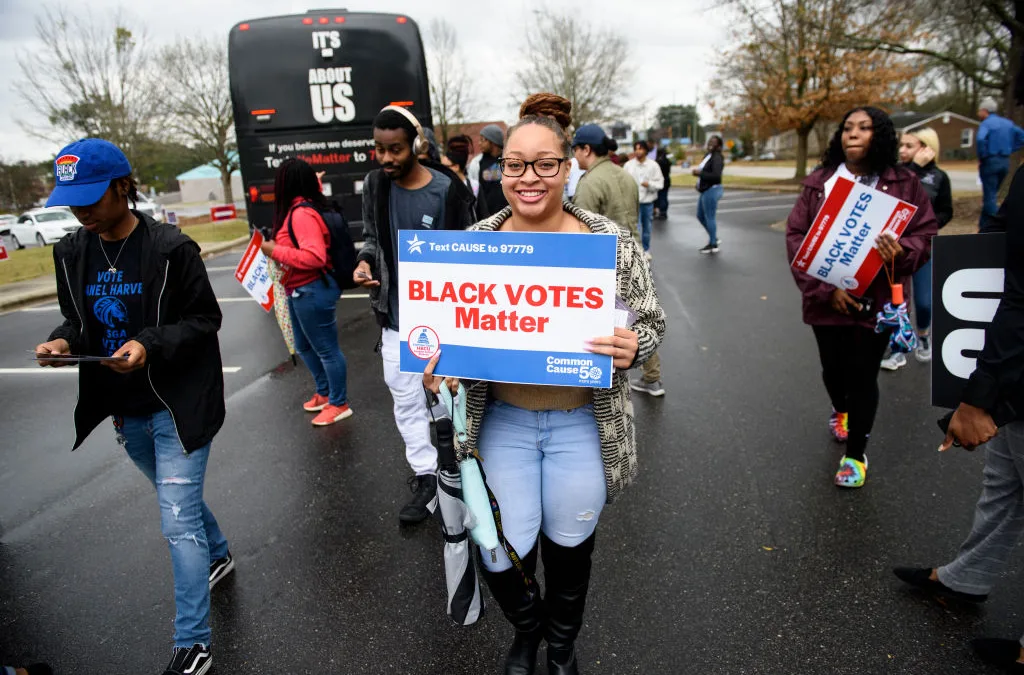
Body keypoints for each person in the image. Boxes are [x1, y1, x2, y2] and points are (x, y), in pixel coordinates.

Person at [424, 114, 665, 675]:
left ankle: (560, 646)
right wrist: (437, 368)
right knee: (497, 547)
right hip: (502, 422)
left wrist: (636, 344)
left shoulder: (610, 243)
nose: (528, 177)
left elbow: (652, 321)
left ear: (567, 168)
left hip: (582, 423)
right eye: (515, 164)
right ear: (500, 169)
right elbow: (441, 338)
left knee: (570, 543)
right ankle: (528, 629)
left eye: (545, 164)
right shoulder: (472, 246)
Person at [34, 138, 232, 675]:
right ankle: (218, 551)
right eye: (72, 202)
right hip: (124, 408)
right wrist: (61, 340)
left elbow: (205, 320)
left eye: (90, 199)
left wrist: (148, 343)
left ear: (123, 187)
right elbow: (79, 321)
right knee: (177, 504)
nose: (81, 212)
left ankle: (193, 644)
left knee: (176, 521)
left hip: (177, 407)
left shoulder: (171, 248)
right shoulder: (70, 251)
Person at [892, 67, 1024, 673]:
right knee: (1005, 481)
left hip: (1012, 365)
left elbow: (1018, 294)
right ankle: (967, 576)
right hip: (1012, 371)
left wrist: (982, 394)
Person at [785, 107, 938, 488]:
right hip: (826, 301)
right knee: (833, 371)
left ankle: (855, 455)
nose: (852, 134)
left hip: (878, 302)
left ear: (880, 135)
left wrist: (902, 251)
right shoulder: (820, 182)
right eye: (848, 127)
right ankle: (841, 408)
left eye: (864, 128)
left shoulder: (904, 183)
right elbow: (796, 237)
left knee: (863, 377)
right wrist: (826, 290)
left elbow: (925, 234)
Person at [354, 106, 475, 524]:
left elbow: (471, 250)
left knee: (452, 400)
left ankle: (462, 475)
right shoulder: (375, 185)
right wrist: (365, 262)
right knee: (406, 404)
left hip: (447, 320)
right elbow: (371, 237)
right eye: (379, 149)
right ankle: (426, 479)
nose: (386, 158)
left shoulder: (449, 190)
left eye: (396, 149)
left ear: (416, 146)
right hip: (396, 321)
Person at [572, 124, 665, 398]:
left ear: (586, 149)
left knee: (612, 327)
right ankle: (652, 378)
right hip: (635, 256)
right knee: (642, 322)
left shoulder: (589, 183)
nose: (574, 157)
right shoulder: (625, 175)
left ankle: (601, 383)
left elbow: (582, 236)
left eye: (575, 150)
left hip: (607, 265)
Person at [260, 158, 352, 426]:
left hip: (312, 289)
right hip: (299, 289)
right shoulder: (298, 209)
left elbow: (315, 257)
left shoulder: (301, 214)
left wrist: (274, 250)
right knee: (303, 345)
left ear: (285, 184)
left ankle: (339, 403)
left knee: (326, 350)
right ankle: (325, 393)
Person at [880, 128, 953, 371]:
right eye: (901, 145)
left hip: (922, 248)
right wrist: (914, 169)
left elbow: (946, 210)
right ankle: (897, 350)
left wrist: (928, 225)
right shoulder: (895, 174)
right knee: (897, 302)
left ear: (927, 148)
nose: (902, 150)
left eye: (909, 146)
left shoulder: (939, 177)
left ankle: (923, 335)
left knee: (923, 302)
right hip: (894, 248)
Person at [976, 96, 1024, 232]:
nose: (978, 113)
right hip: (1005, 161)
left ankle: (994, 228)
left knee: (990, 196)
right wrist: (1010, 148)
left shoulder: (986, 124)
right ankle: (983, 228)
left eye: (980, 110)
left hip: (990, 161)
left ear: (984, 110)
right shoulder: (1007, 123)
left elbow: (980, 139)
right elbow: (1022, 137)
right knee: (992, 194)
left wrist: (982, 155)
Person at [623, 141, 663, 259]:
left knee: (647, 228)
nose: (638, 151)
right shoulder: (628, 165)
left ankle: (646, 249)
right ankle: (635, 251)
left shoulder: (653, 165)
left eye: (640, 149)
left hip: (647, 202)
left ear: (646, 150)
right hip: (633, 202)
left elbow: (660, 184)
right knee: (635, 227)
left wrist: (649, 184)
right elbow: (622, 182)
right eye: (636, 149)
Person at [692, 136, 725, 254]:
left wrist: (700, 173)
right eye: (710, 141)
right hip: (705, 190)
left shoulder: (717, 157)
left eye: (714, 142)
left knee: (709, 217)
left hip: (712, 190)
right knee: (700, 215)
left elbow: (716, 176)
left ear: (719, 146)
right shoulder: (708, 156)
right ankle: (713, 237)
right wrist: (698, 183)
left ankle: (713, 244)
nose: (710, 143)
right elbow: (705, 172)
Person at [477, 124, 509, 218]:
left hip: (508, 214)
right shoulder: (478, 163)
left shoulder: (508, 160)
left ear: (493, 141)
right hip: (487, 217)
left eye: (483, 140)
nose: (479, 143)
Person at [654, 146, 672, 220]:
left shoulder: (658, 162)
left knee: (660, 197)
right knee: (664, 197)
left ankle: (661, 211)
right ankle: (663, 211)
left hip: (660, 181)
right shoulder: (667, 161)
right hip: (667, 180)